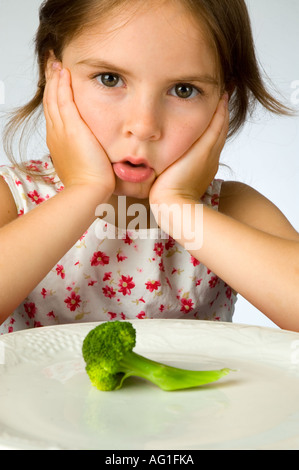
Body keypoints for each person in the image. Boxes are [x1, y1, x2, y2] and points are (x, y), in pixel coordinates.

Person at [0, 0, 298, 334]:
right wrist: (85, 191)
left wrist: (177, 205)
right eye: (109, 79)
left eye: (184, 90)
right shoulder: (13, 199)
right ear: (51, 71)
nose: (143, 126)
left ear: (221, 98)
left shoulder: (229, 209)